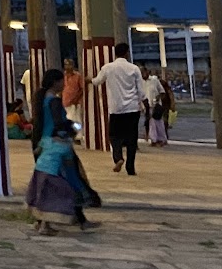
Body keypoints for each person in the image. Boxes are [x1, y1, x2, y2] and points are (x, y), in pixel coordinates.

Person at [25, 67, 99, 234]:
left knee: (51, 182)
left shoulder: (42, 99)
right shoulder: (54, 101)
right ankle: (52, 223)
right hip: (58, 147)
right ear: (55, 82)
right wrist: (71, 128)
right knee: (69, 181)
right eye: (61, 81)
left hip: (46, 145)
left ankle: (70, 219)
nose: (63, 84)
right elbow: (60, 123)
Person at [90, 43, 147, 176]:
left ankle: (118, 158)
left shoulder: (108, 68)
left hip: (116, 109)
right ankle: (130, 168)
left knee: (114, 136)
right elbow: (141, 92)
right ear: (127, 53)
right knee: (132, 139)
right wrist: (140, 103)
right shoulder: (134, 69)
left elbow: (97, 81)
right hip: (132, 109)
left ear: (115, 53)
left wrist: (89, 80)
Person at [60, 59, 85, 140]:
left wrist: (76, 99)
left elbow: (82, 89)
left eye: (69, 64)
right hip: (65, 101)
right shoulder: (63, 76)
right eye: (66, 64)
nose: (68, 66)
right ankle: (70, 134)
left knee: (76, 120)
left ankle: (79, 135)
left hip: (75, 103)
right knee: (67, 119)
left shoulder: (78, 76)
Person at [148, 76, 172, 146]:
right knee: (151, 123)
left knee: (158, 122)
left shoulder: (154, 80)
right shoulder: (141, 81)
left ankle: (162, 139)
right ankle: (154, 139)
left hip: (156, 105)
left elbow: (162, 92)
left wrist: (158, 98)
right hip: (147, 105)